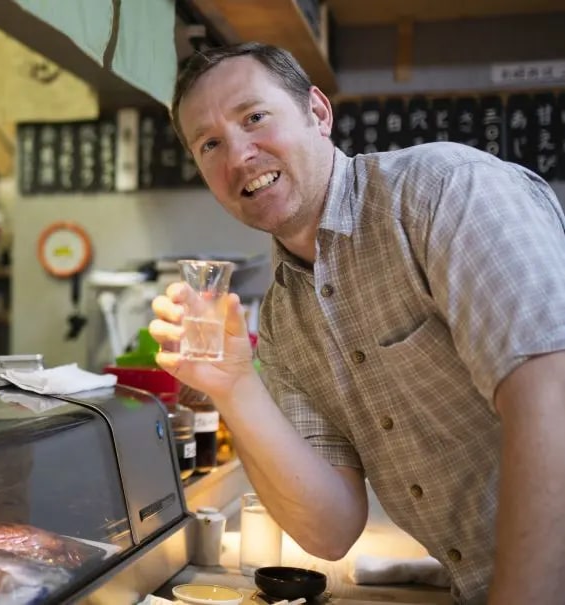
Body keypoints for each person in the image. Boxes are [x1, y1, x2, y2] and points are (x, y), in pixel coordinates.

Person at [150, 42, 565, 605]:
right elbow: (330, 528)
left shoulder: (446, 191)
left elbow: (553, 397)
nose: (239, 155)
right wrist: (234, 385)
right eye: (210, 144)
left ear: (318, 113)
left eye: (254, 117)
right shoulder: (284, 320)